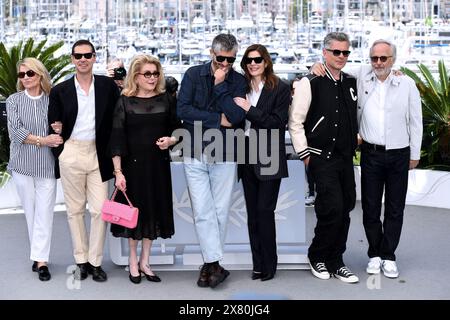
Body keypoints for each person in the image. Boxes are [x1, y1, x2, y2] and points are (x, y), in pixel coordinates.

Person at [310, 40, 423, 278]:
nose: (378, 63)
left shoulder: (407, 83)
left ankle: (388, 255)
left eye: (384, 58)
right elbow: (334, 65)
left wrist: (414, 154)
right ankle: (374, 253)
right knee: (370, 208)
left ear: (393, 59)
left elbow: (416, 121)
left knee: (395, 208)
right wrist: (315, 65)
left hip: (399, 154)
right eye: (374, 58)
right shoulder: (361, 76)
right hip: (370, 154)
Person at [288, 32, 359, 283]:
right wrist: (306, 155)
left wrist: (395, 73)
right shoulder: (311, 81)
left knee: (347, 208)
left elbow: (377, 75)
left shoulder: (351, 81)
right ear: (325, 53)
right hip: (320, 158)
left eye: (346, 52)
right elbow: (295, 122)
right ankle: (317, 255)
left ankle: (336, 261)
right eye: (336, 52)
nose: (341, 57)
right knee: (331, 208)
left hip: (345, 159)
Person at [177, 33, 246, 288]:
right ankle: (214, 264)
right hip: (194, 151)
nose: (226, 64)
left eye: (231, 59)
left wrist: (219, 87)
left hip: (226, 153)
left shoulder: (237, 81)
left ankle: (210, 265)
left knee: (220, 211)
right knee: (203, 211)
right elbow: (183, 110)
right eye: (221, 59)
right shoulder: (193, 75)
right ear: (211, 53)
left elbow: (237, 117)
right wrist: (217, 120)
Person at [48, 39, 120, 282]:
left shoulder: (108, 86)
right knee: (75, 211)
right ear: (72, 59)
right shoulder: (60, 90)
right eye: (78, 56)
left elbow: (118, 115)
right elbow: (54, 123)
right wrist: (62, 149)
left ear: (94, 58)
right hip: (72, 152)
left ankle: (95, 262)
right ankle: (81, 261)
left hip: (99, 153)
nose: (83, 59)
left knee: (100, 210)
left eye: (87, 55)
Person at [111, 54, 179, 284]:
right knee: (135, 217)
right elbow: (117, 139)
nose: (152, 77)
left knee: (153, 213)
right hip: (132, 168)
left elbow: (178, 130)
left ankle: (145, 262)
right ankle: (132, 261)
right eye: (147, 73)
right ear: (136, 76)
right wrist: (118, 172)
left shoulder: (167, 99)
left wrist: (170, 141)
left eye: (155, 73)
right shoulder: (125, 101)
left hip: (158, 166)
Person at [233, 44, 291, 281]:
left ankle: (270, 265)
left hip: (269, 158)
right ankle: (258, 265)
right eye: (248, 60)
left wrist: (249, 109)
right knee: (253, 215)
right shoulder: (241, 86)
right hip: (246, 156)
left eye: (257, 59)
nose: (253, 64)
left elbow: (277, 123)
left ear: (266, 61)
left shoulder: (280, 88)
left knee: (265, 212)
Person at [6, 58, 63, 281]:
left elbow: (60, 128)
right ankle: (39, 257)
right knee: (30, 211)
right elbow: (15, 133)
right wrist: (43, 140)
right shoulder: (14, 101)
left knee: (45, 213)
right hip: (22, 165)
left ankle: (40, 259)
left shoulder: (52, 100)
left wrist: (58, 130)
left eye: (30, 73)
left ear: (40, 75)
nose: (26, 78)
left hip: (47, 166)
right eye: (22, 75)